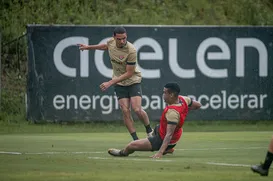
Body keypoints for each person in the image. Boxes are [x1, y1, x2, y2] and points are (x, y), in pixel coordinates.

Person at [78, 26, 153, 141]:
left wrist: (110, 82)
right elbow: (105, 46)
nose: (122, 41)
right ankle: (136, 140)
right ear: (114, 37)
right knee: (125, 110)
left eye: (124, 38)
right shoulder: (111, 42)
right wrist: (88, 47)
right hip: (120, 84)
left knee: (137, 109)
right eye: (119, 39)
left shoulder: (131, 50)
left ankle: (149, 131)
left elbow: (129, 73)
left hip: (133, 81)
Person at [108, 82, 202, 158]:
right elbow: (198, 105)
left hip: (163, 139)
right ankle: (167, 149)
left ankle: (123, 153)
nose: (163, 95)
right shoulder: (183, 99)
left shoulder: (173, 113)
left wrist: (159, 153)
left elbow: (168, 135)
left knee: (132, 145)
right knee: (157, 127)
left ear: (172, 95)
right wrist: (184, 111)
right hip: (174, 134)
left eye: (165, 92)